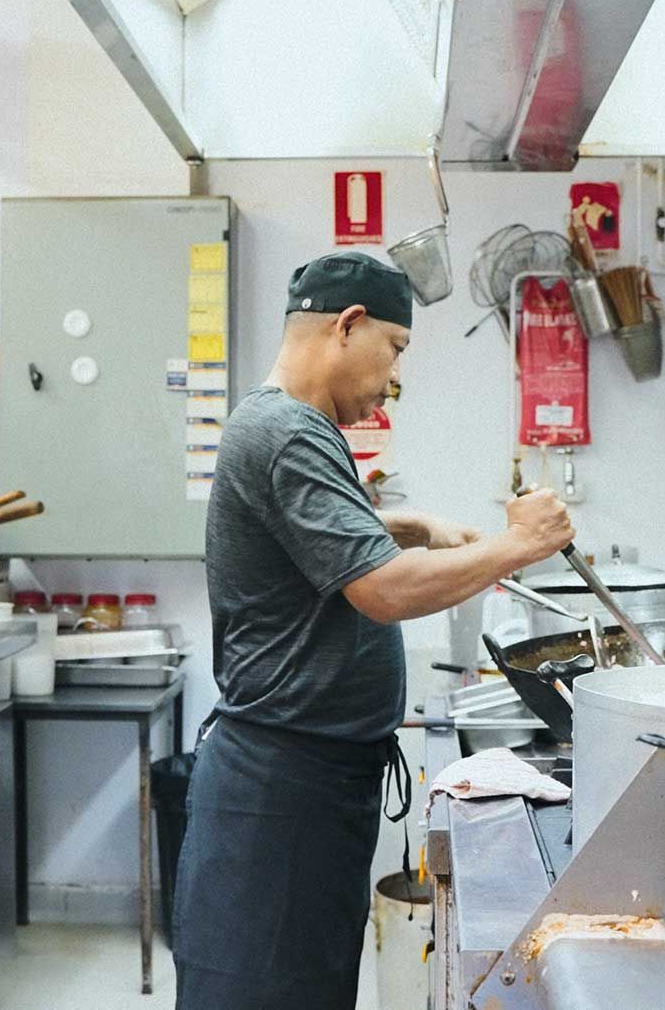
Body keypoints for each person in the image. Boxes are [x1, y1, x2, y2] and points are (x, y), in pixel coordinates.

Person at [173, 252, 575, 1009]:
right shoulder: (290, 431)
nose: (394, 377)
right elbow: (383, 591)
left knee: (307, 991)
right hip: (281, 789)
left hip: (308, 781)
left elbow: (300, 543)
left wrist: (401, 523)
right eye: (395, 348)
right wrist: (521, 544)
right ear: (348, 326)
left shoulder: (286, 426)